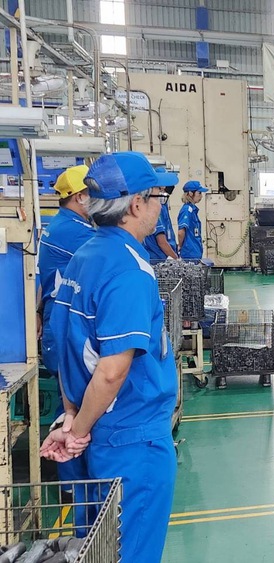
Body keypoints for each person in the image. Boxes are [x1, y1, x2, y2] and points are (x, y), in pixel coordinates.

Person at [41, 151, 179, 562]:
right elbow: (112, 371)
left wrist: (71, 417)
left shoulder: (85, 257)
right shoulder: (129, 271)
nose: (159, 207)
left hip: (95, 431)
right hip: (131, 438)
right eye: (158, 197)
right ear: (136, 203)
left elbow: (64, 346)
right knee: (130, 551)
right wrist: (78, 430)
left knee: (97, 550)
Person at [37, 165, 95, 509]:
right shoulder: (74, 232)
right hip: (64, 326)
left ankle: (75, 480)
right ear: (79, 196)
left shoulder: (61, 225)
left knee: (73, 402)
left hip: (58, 321)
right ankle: (73, 483)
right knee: (72, 404)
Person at [143, 180, 178, 260]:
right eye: (160, 189)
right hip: (157, 258)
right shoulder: (154, 211)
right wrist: (177, 260)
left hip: (164, 257)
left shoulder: (163, 208)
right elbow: (161, 242)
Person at [176, 180, 208, 260]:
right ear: (190, 193)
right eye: (199, 193)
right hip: (189, 254)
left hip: (195, 253)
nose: (201, 196)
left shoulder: (193, 210)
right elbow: (181, 232)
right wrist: (180, 246)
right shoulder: (187, 210)